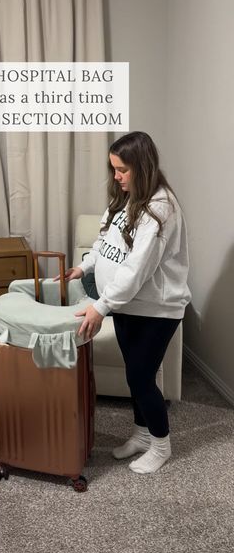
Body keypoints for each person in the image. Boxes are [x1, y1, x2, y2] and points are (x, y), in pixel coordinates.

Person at [62, 131, 191, 474]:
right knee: (135, 375)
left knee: (140, 376)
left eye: (122, 169)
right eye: (113, 169)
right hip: (127, 307)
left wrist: (100, 306)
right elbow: (106, 241)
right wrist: (85, 266)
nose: (116, 176)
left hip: (156, 310)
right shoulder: (125, 196)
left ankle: (161, 445)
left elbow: (136, 271)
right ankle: (141, 434)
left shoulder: (161, 210)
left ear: (141, 167)